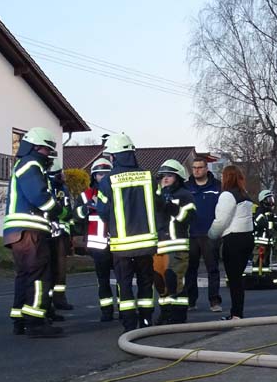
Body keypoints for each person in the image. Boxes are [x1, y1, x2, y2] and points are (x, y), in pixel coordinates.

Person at [2, 128, 63, 338]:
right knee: (39, 275)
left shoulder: (24, 164)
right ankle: (36, 322)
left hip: (18, 231)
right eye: (47, 150)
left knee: (25, 275)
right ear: (38, 147)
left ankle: (20, 319)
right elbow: (40, 197)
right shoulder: (31, 164)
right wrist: (59, 210)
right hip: (30, 231)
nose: (49, 155)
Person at [94, 133, 159, 332]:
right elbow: (159, 205)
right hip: (146, 243)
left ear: (114, 157)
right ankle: (146, 321)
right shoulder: (149, 177)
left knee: (125, 284)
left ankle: (129, 326)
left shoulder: (107, 182)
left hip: (121, 245)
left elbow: (103, 211)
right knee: (146, 282)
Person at [208, 164, 254, 320]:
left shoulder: (227, 196)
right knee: (238, 278)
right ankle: (237, 312)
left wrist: (211, 235)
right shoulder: (245, 195)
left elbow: (221, 220)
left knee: (234, 279)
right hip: (247, 238)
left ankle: (236, 314)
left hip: (234, 239)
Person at [154, 159, 196, 324]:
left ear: (178, 178)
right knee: (160, 282)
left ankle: (178, 314)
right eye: (163, 176)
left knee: (174, 281)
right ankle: (165, 312)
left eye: (169, 176)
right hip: (158, 247)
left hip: (177, 246)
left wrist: (171, 206)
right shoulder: (156, 195)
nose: (165, 179)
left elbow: (188, 217)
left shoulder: (185, 195)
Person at [78, 157, 118, 321]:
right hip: (98, 246)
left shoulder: (118, 193)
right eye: (100, 174)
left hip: (117, 243)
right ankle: (106, 311)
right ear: (94, 176)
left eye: (107, 173)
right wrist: (85, 209)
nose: (103, 177)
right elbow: (76, 216)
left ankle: (125, 310)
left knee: (123, 280)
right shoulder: (86, 195)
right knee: (103, 281)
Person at [184, 157, 223, 312]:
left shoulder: (217, 186)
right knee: (190, 269)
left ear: (207, 168)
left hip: (210, 234)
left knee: (212, 269)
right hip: (191, 233)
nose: (197, 170)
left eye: (200, 167)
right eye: (194, 168)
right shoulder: (187, 187)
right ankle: (191, 301)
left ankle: (214, 301)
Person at [46, 150, 75, 314]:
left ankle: (59, 299)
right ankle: (49, 302)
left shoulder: (63, 188)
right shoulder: (48, 187)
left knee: (61, 270)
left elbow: (68, 209)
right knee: (50, 269)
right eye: (59, 173)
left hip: (62, 235)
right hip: (50, 234)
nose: (62, 176)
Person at [252, 189, 277, 279]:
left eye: (272, 199)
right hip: (260, 242)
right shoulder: (260, 212)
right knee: (258, 260)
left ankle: (265, 276)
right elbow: (258, 223)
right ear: (263, 201)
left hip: (267, 242)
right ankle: (256, 276)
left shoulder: (269, 213)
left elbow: (271, 228)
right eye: (269, 199)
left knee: (266, 261)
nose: (271, 202)